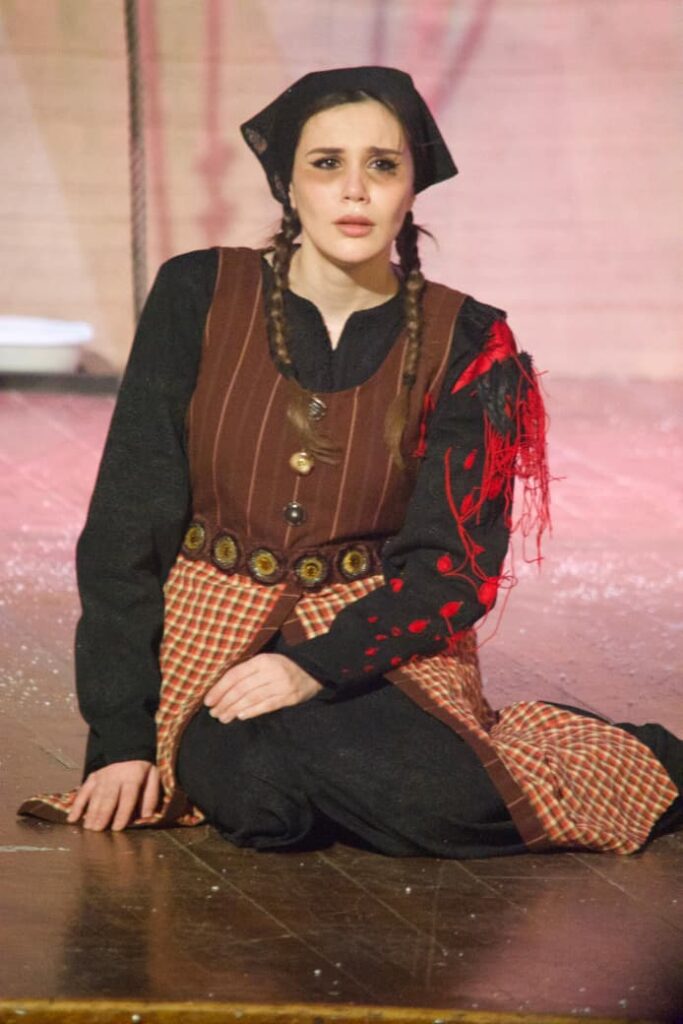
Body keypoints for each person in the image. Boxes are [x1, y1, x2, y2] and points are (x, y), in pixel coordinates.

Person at [19, 66, 682, 857]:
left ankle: (639, 757)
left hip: (375, 637)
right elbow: (126, 529)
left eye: (382, 165)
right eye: (327, 163)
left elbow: (454, 568)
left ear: (410, 188)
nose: (355, 190)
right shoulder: (198, 293)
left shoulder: (469, 341)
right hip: (211, 630)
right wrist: (120, 739)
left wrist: (315, 668)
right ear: (288, 184)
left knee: (437, 801)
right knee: (259, 798)